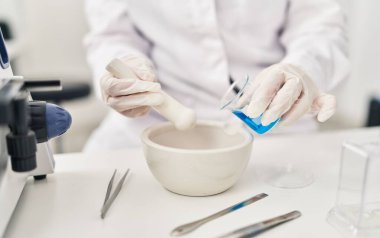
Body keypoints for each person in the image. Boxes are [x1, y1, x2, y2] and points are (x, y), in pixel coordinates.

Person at [84, 0, 349, 152]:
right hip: (151, 119)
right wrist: (126, 71)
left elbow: (319, 25)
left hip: (272, 116)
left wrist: (303, 68)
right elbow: (112, 34)